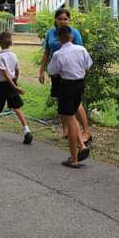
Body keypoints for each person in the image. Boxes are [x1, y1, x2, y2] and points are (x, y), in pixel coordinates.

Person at [39, 8, 92, 145]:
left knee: (76, 104)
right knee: (61, 100)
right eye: (60, 19)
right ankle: (66, 130)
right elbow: (46, 53)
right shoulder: (50, 33)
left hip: (71, 75)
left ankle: (86, 132)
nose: (63, 21)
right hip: (57, 73)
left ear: (69, 20)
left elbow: (81, 53)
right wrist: (41, 71)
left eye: (65, 19)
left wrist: (81, 73)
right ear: (55, 20)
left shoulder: (74, 33)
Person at [48, 26, 92, 168]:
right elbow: (88, 66)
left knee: (70, 120)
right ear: (71, 36)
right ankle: (82, 146)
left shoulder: (58, 54)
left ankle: (74, 158)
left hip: (66, 86)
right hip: (80, 85)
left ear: (59, 38)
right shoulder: (81, 50)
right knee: (71, 116)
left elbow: (52, 71)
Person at [0, 32, 33, 144]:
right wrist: (15, 82)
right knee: (16, 107)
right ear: (10, 43)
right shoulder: (13, 55)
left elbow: (5, 74)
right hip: (12, 83)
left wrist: (14, 86)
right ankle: (27, 131)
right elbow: (17, 70)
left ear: (0, 43)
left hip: (2, 85)